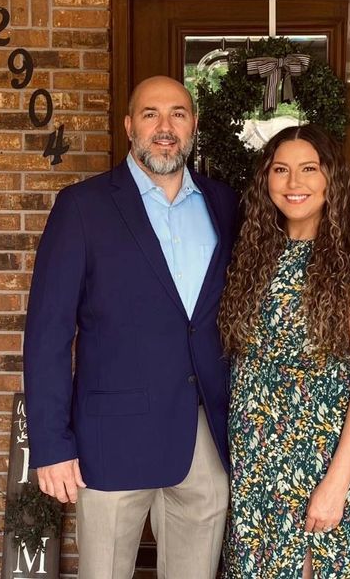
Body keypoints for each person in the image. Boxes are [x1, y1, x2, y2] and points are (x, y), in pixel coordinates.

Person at [23, 75, 239, 579]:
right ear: (128, 126)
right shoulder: (82, 207)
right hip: (111, 440)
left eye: (177, 114)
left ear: (193, 125)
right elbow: (48, 333)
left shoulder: (225, 204)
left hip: (203, 438)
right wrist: (51, 446)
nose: (165, 127)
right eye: (150, 114)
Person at [219, 124, 350, 578]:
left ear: (331, 177)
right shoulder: (255, 253)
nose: (293, 183)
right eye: (280, 170)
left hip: (320, 459)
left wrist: (336, 485)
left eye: (309, 169)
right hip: (256, 464)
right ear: (266, 179)